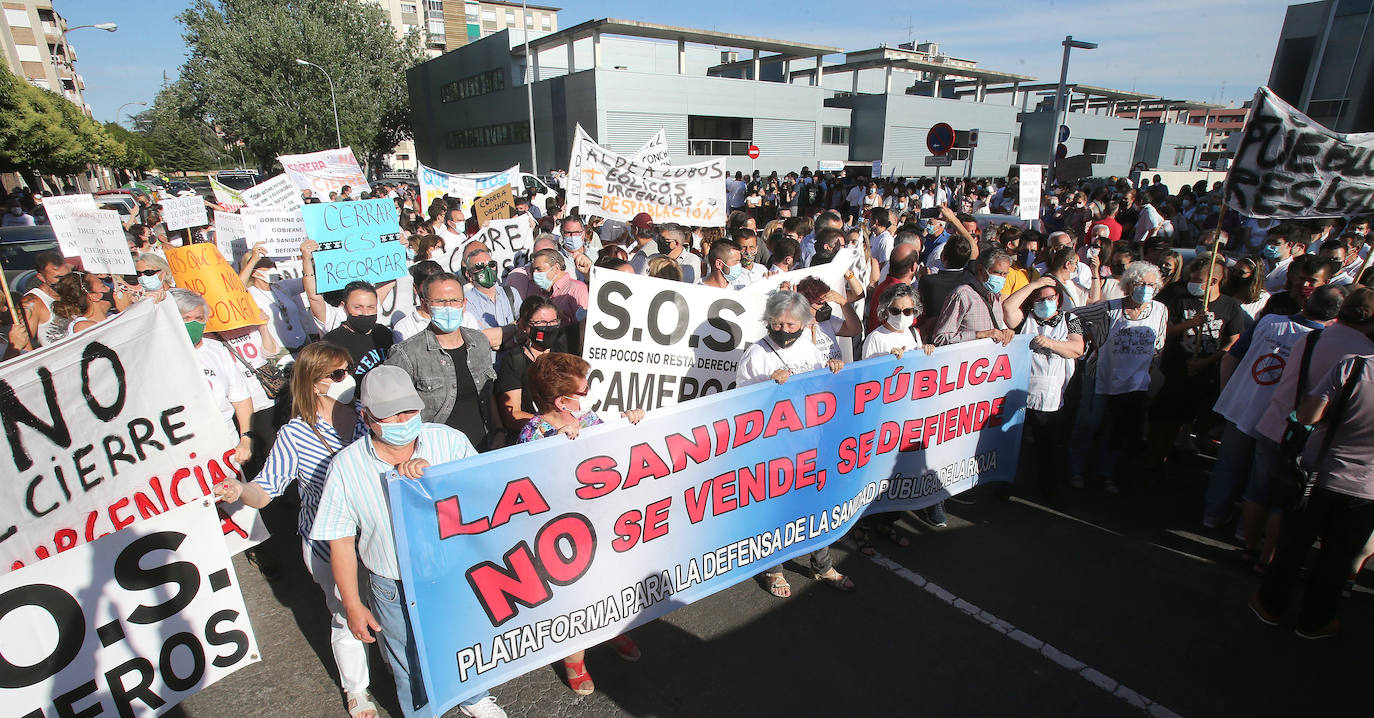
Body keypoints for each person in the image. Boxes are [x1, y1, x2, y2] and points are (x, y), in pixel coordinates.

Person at [310, 366, 507, 718]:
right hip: (392, 583)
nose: (403, 420)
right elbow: (340, 540)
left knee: (464, 640)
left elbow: (484, 495)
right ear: (366, 416)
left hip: (452, 572)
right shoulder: (346, 467)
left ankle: (474, 696)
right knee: (407, 658)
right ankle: (421, 711)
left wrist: (436, 481)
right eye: (391, 414)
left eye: (410, 410)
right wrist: (353, 605)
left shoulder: (449, 440)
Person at [212, 343, 376, 718]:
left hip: (377, 535)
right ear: (315, 382)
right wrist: (239, 490)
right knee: (343, 613)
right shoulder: (294, 435)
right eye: (336, 375)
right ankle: (357, 690)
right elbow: (266, 490)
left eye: (347, 370)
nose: (346, 379)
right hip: (327, 542)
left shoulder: (368, 416)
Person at [513, 351, 646, 693]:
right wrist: (556, 448)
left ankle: (609, 630)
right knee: (574, 596)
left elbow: (617, 448)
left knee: (606, 584)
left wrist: (630, 422)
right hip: (563, 533)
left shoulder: (589, 421)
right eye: (583, 392)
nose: (589, 397)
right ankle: (574, 659)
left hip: (601, 522)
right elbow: (531, 490)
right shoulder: (533, 434)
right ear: (561, 400)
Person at [1206, 285, 1344, 557]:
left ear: (1306, 303)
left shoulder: (1269, 322)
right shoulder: (1325, 341)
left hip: (1243, 407)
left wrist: (1231, 393)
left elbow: (1231, 358)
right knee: (1262, 481)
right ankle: (1246, 533)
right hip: (1280, 422)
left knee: (1229, 467)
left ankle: (1213, 515)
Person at [735, 290, 851, 597]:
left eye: (791, 325)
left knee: (816, 505)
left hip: (809, 441)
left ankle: (822, 564)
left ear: (802, 323)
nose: (784, 330)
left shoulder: (808, 346)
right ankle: (773, 570)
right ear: (768, 321)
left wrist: (832, 369)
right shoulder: (756, 354)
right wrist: (767, 383)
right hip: (774, 449)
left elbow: (819, 384)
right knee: (777, 510)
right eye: (778, 324)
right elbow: (739, 404)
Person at [1252, 352, 1374, 639]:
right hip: (1367, 491)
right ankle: (1315, 622)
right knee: (1339, 558)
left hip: (1320, 476)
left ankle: (1270, 606)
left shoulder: (1353, 366)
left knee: (1294, 545)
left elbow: (1307, 416)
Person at [1069, 262, 1169, 494]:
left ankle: (1107, 474)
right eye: (1141, 284)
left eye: (1151, 285)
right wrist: (1084, 339)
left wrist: (1151, 368)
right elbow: (1073, 316)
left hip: (1134, 383)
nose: (1146, 288)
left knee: (1118, 429)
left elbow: (1160, 344)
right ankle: (1076, 469)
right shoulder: (1110, 308)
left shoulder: (1160, 310)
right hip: (1100, 377)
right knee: (1089, 424)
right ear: (1128, 285)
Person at [385, 272, 496, 449]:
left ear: (464, 304)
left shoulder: (479, 342)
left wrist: (498, 433)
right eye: (440, 302)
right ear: (425, 305)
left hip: (483, 445)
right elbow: (392, 412)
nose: (449, 307)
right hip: (436, 452)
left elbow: (489, 394)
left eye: (454, 301)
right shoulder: (407, 354)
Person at [1004, 276, 1085, 503]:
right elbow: (1008, 307)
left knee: (1048, 448)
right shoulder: (1025, 319)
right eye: (1040, 299)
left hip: (1050, 395)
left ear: (1058, 299)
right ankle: (1005, 485)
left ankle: (1049, 491)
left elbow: (1077, 348)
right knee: (1012, 446)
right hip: (1019, 391)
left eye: (1050, 297)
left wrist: (1049, 343)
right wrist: (1034, 285)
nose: (1045, 302)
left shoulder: (1070, 319)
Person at [172, 288, 253, 466]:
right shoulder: (161, 354)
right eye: (186, 318)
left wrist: (246, 439)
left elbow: (241, 399)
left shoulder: (217, 350)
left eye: (199, 319)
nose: (193, 323)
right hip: (183, 450)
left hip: (225, 442)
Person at [495, 296, 562, 432]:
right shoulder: (514, 361)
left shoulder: (564, 351)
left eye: (553, 322)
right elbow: (513, 415)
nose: (548, 328)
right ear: (524, 326)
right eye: (541, 323)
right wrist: (552, 426)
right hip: (536, 439)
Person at [933, 248, 1015, 347]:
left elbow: (994, 332)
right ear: (980, 269)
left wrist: (1004, 333)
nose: (1001, 278)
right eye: (997, 272)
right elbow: (940, 339)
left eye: (1005, 274)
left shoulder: (996, 297)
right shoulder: (962, 296)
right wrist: (979, 335)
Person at [322, 281, 394, 378]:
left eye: (371, 307)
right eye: (358, 307)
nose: (365, 313)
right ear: (344, 307)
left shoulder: (383, 333)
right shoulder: (332, 342)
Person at [21, 250, 73, 348]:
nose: (65, 282)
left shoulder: (73, 292)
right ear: (41, 277)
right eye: (58, 277)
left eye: (68, 276)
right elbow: (24, 344)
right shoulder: (32, 302)